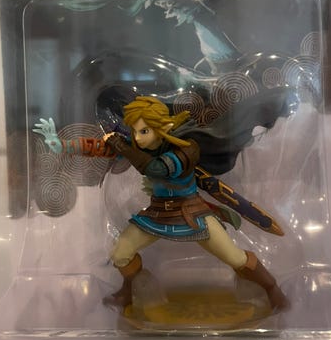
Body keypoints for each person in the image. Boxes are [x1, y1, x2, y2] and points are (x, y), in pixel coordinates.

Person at [34, 95, 288, 310]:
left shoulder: (186, 149)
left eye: (144, 131)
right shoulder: (138, 146)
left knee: (235, 257)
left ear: (162, 126)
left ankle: (272, 289)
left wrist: (123, 145)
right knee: (120, 253)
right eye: (135, 131)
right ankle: (128, 291)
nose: (138, 138)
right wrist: (62, 144)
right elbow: (102, 147)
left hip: (192, 215)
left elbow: (156, 169)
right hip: (157, 215)